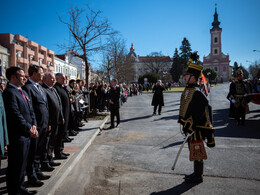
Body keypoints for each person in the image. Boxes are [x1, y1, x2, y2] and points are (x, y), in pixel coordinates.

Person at [178, 53, 215, 183]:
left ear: (193, 78)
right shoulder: (188, 90)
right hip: (189, 128)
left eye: (186, 76)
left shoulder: (197, 93)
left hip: (196, 129)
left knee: (197, 152)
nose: (184, 77)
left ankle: (198, 176)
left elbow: (201, 112)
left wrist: (191, 125)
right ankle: (196, 173)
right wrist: (183, 121)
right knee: (192, 151)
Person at [3, 67, 38, 195]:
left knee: (23, 165)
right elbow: (15, 114)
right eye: (22, 76)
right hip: (17, 136)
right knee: (16, 166)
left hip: (27, 133)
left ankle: (20, 188)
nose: (25, 78)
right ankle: (14, 191)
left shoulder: (22, 91)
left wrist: (34, 125)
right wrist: (29, 128)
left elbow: (31, 110)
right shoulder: (9, 93)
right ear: (13, 77)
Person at [23, 65, 50, 187]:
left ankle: (38, 171)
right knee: (32, 153)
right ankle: (32, 176)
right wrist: (33, 125)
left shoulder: (39, 87)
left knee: (39, 150)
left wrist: (47, 122)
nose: (43, 74)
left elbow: (44, 105)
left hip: (43, 124)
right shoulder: (27, 88)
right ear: (33, 74)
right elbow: (29, 109)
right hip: (35, 125)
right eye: (41, 72)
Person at [42, 72, 63, 167]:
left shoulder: (53, 89)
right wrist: (48, 122)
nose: (53, 80)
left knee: (52, 141)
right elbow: (46, 108)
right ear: (45, 79)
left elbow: (59, 104)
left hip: (57, 120)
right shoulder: (44, 90)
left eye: (54, 78)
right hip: (50, 121)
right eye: (51, 78)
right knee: (47, 142)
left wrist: (61, 116)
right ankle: (46, 160)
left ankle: (50, 158)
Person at [53, 73, 71, 159]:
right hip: (61, 115)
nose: (64, 79)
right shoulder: (56, 88)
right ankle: (58, 152)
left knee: (62, 133)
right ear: (57, 79)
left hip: (66, 114)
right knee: (59, 134)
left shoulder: (62, 87)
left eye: (64, 78)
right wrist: (61, 116)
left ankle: (61, 150)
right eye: (62, 78)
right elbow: (59, 104)